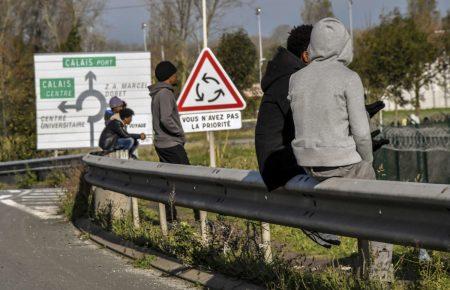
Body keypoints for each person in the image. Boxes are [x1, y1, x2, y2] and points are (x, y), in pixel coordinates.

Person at [288, 17, 392, 280]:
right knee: (379, 213)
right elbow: (361, 132)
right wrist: (366, 161)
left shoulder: (296, 78)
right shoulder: (349, 77)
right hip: (342, 163)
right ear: (344, 44)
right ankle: (379, 276)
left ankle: (362, 268)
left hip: (309, 165)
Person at [255, 25, 341, 249]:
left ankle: (321, 218)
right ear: (306, 56)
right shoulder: (291, 80)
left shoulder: (290, 75)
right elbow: (308, 122)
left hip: (283, 157)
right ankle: (312, 218)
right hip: (279, 163)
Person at [148, 61, 200, 222]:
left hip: (162, 144)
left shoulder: (158, 93)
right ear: (169, 76)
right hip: (170, 144)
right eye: (175, 74)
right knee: (190, 180)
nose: (176, 76)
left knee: (169, 182)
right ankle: (199, 215)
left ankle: (171, 217)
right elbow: (165, 119)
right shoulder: (165, 93)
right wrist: (179, 133)